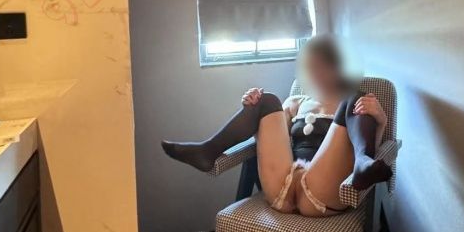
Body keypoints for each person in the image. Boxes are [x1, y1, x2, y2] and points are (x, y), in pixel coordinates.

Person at [162, 35, 392, 216]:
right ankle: (208, 151)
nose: (319, 73)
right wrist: (253, 106)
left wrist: (380, 120)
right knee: (267, 100)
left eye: (326, 67)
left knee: (357, 99)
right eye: (313, 67)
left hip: (323, 192)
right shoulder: (295, 102)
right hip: (282, 189)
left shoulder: (351, 103)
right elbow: (270, 140)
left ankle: (362, 164)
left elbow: (371, 143)